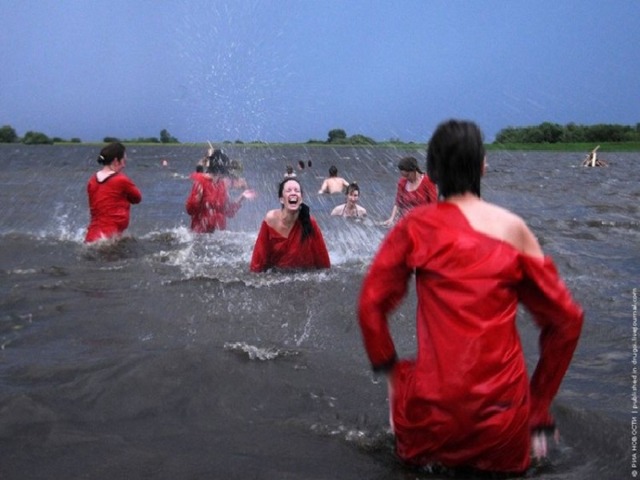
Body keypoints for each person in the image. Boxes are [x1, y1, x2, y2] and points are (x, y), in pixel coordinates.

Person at [358, 119, 583, 474]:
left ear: (432, 171)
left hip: (431, 414)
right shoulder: (514, 229)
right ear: (482, 166)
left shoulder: (416, 227)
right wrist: (538, 406)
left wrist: (392, 377)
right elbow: (567, 321)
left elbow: (370, 304)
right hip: (502, 419)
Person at [250, 177, 330, 272]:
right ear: (281, 199)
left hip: (303, 276)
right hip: (275, 276)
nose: (293, 193)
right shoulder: (271, 220)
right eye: (288, 190)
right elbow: (258, 260)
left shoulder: (309, 223)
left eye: (297, 191)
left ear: (301, 199)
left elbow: (323, 261)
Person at [85, 142, 142, 243]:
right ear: (116, 161)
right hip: (108, 238)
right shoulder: (121, 180)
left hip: (91, 236)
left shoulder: (92, 180)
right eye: (124, 160)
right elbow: (137, 198)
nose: (124, 165)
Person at [185, 163, 254, 233]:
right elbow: (190, 210)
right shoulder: (201, 183)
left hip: (217, 235)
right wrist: (197, 198)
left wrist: (242, 197)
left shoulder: (222, 187)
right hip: (200, 234)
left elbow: (229, 211)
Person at [383, 156, 437, 226]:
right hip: (406, 221)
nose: (405, 178)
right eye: (403, 176)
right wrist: (391, 218)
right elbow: (398, 203)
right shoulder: (402, 182)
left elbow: (434, 204)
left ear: (414, 170)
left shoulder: (428, 181)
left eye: (407, 175)